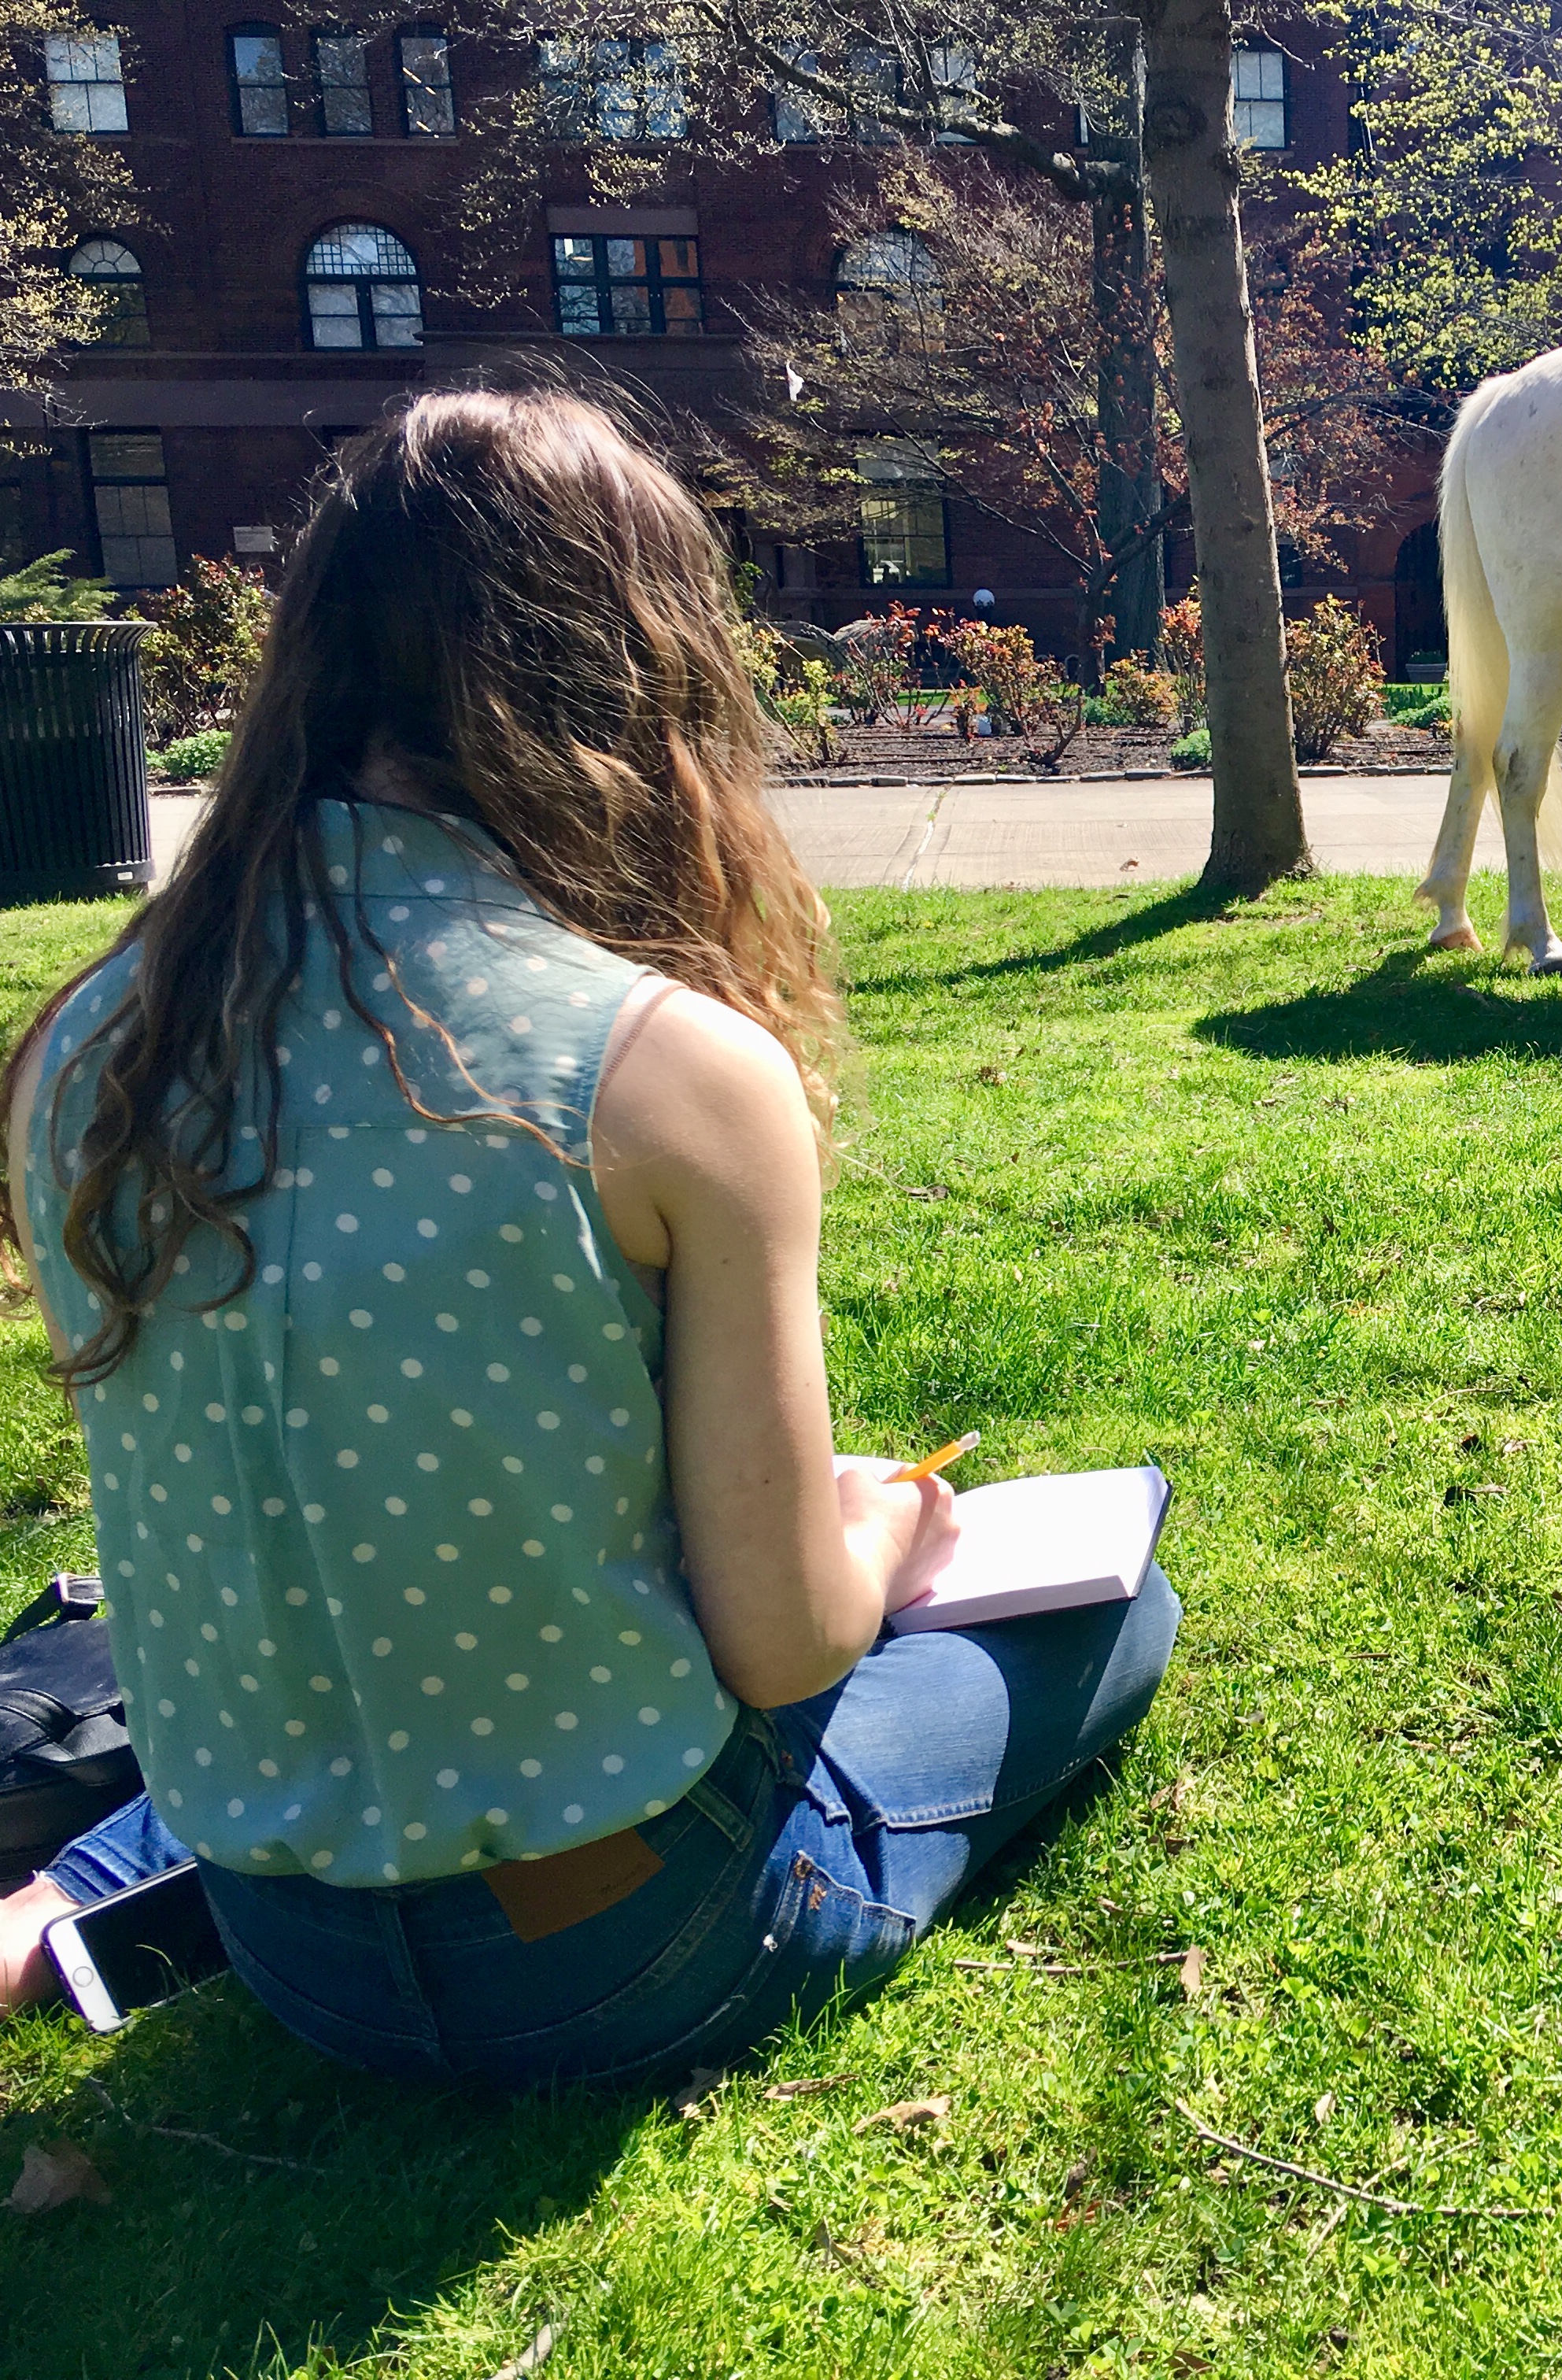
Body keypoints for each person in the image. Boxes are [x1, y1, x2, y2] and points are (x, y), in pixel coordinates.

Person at [0, 393, 1177, 2086]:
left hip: (285, 1938)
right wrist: (893, 1534)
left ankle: (94, 1899)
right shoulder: (660, 1067)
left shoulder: (80, 1047)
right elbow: (780, 1646)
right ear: (640, 674)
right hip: (615, 1947)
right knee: (1116, 1603)